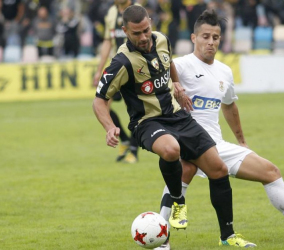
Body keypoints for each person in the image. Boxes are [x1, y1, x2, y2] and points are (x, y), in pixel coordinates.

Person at [155, 9, 284, 250]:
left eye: (215, 37)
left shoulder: (224, 71)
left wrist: (242, 142)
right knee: (184, 171)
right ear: (193, 38)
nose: (211, 42)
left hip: (216, 145)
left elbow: (229, 105)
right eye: (205, 36)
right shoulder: (179, 66)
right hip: (188, 141)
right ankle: (161, 238)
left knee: (271, 171)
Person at [93, 4, 256, 248]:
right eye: (136, 33)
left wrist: (177, 84)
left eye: (146, 30)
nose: (144, 37)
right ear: (125, 31)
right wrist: (108, 126)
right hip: (146, 122)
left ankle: (228, 236)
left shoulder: (161, 40)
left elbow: (169, 64)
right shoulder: (121, 63)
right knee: (171, 150)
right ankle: (178, 200)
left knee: (218, 169)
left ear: (150, 22)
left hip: (177, 116)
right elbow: (99, 101)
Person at [92, 0, 138, 163]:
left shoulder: (137, 10)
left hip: (134, 67)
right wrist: (99, 70)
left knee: (135, 110)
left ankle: (133, 151)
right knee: (103, 105)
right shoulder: (112, 12)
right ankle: (124, 139)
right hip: (117, 67)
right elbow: (107, 41)